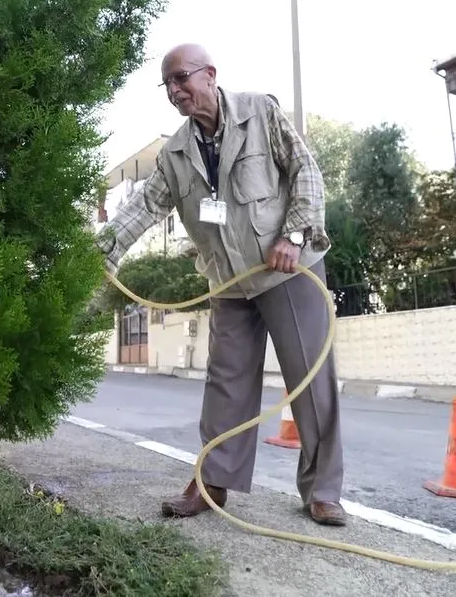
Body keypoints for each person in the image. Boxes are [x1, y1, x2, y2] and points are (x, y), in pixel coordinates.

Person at [95, 43, 347, 526]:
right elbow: (144, 207)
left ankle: (322, 491)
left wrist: (295, 234)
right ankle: (212, 482)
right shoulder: (174, 154)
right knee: (225, 383)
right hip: (229, 280)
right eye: (167, 84)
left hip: (287, 268)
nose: (175, 91)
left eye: (181, 78)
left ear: (210, 74)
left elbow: (306, 174)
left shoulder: (260, 111)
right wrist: (101, 253)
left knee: (310, 381)